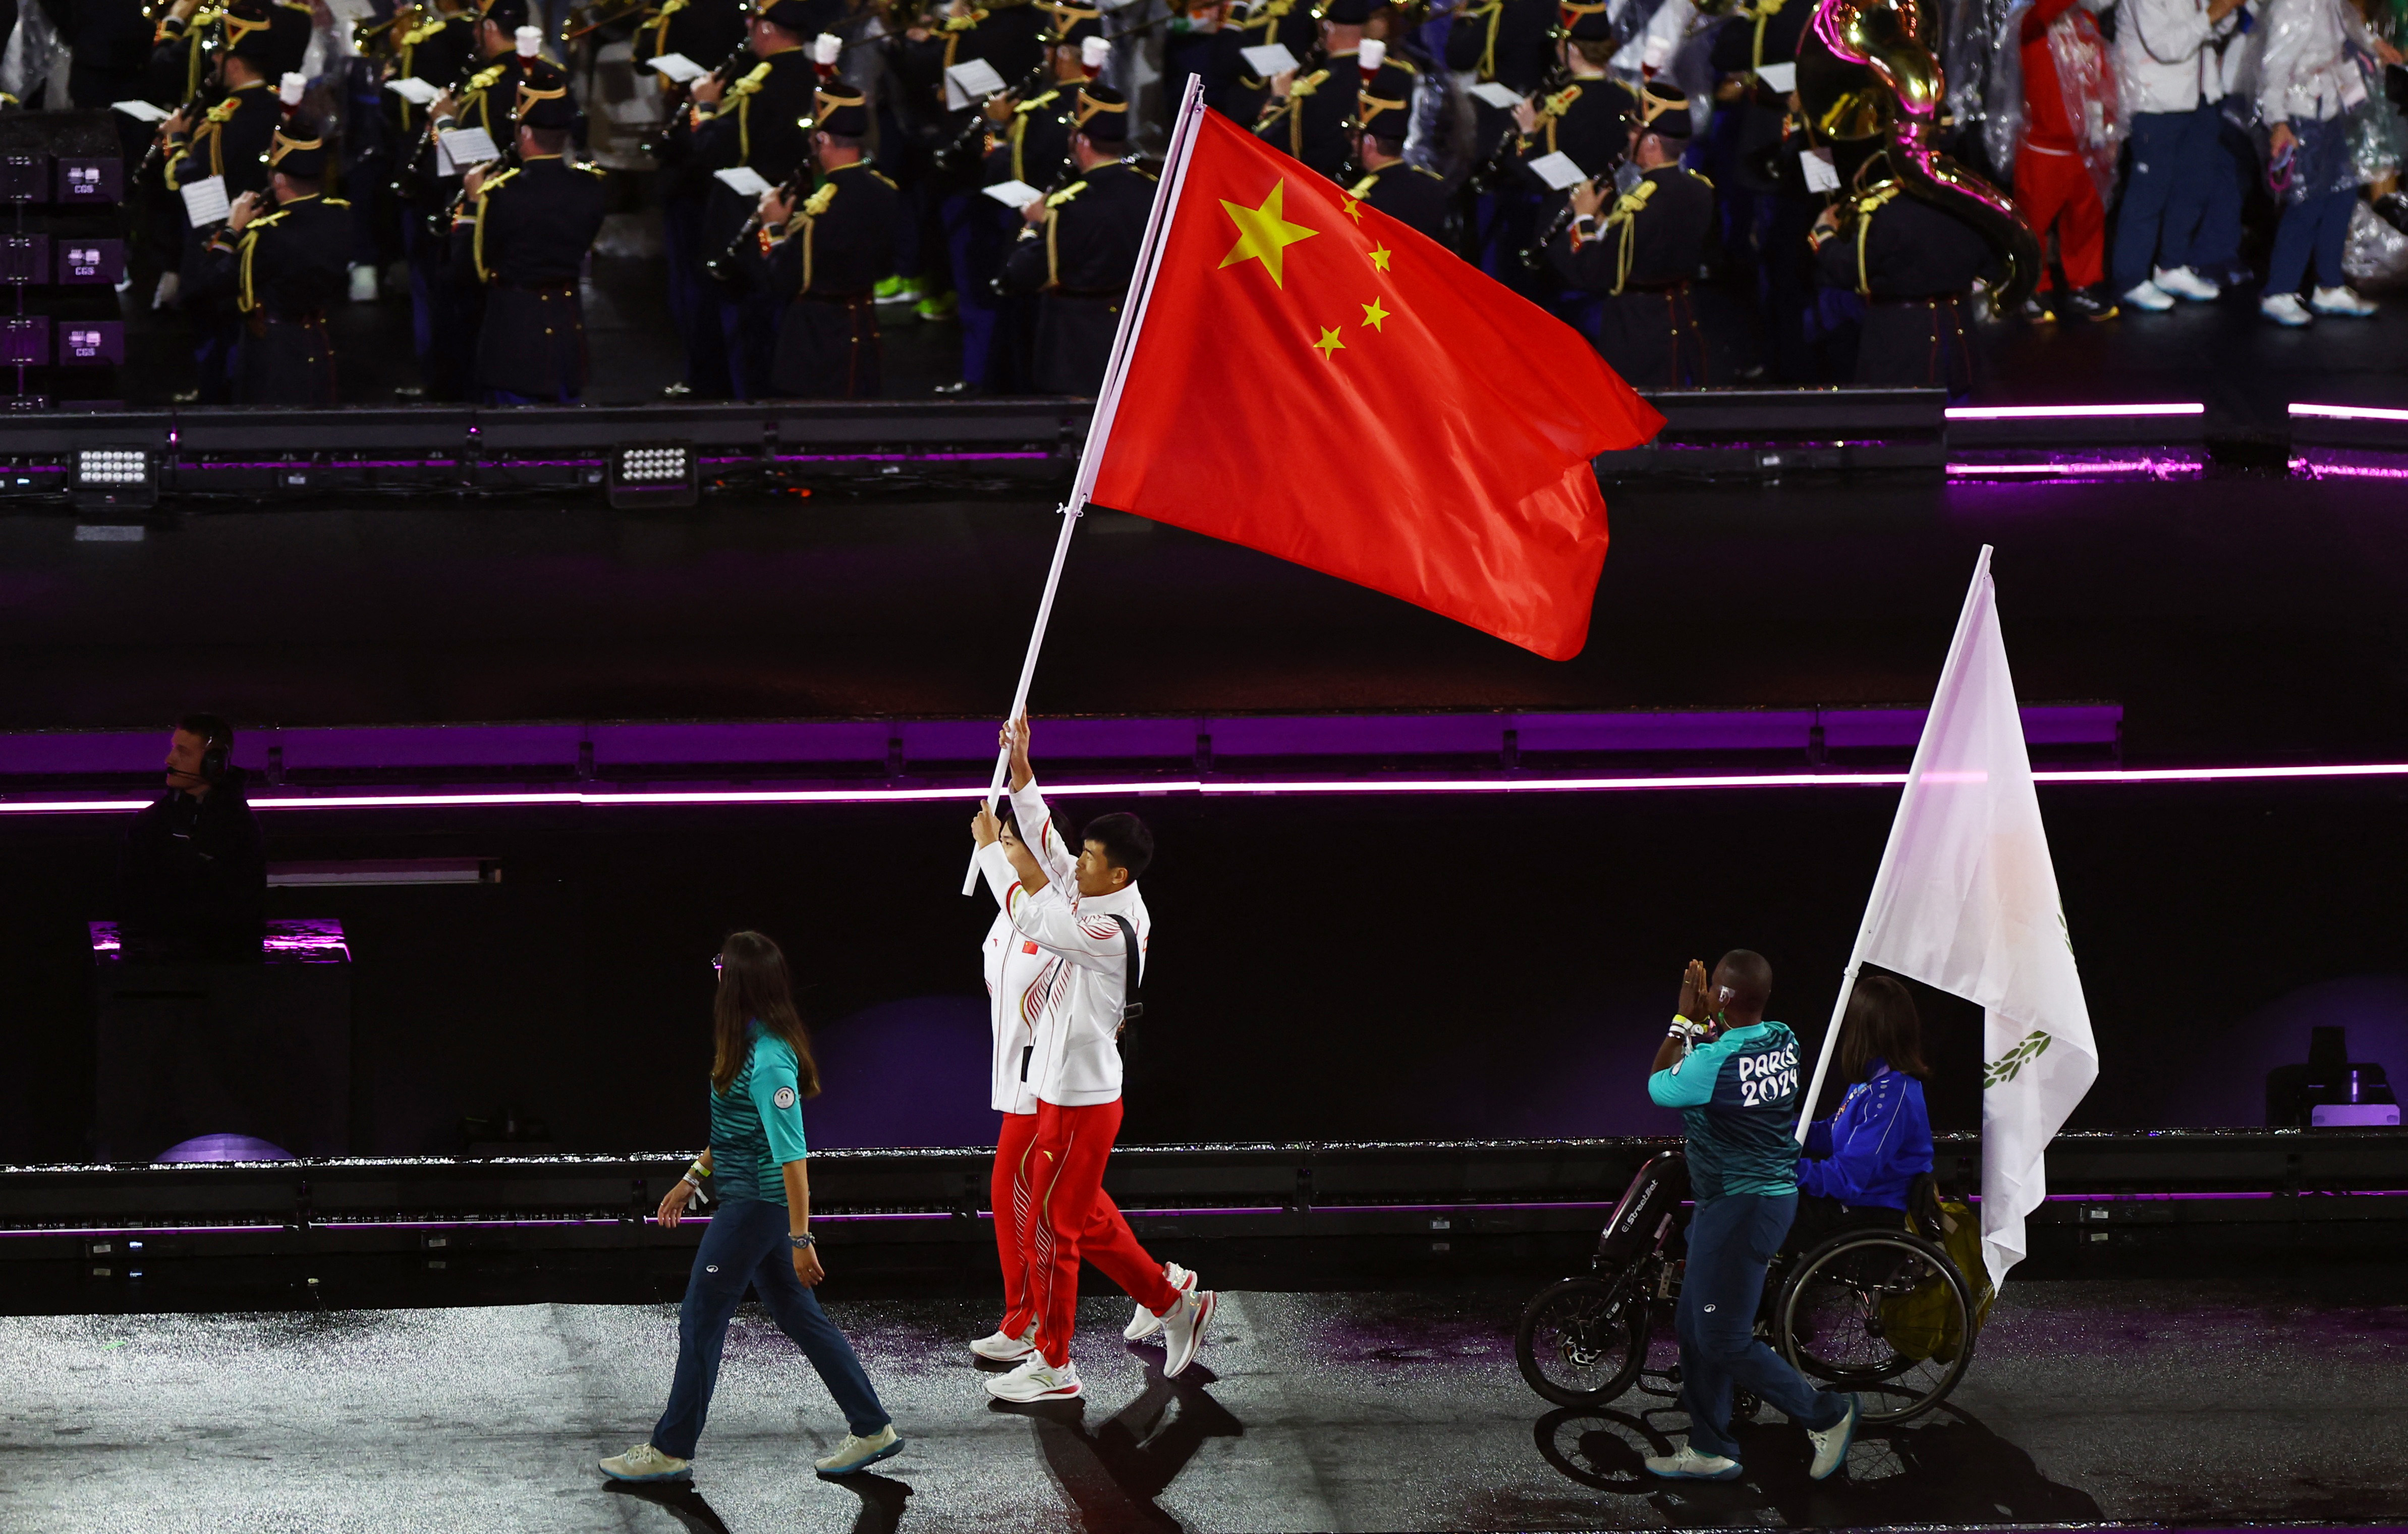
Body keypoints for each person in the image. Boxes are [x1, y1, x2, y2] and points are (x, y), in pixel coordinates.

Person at [966, 717, 1213, 1402]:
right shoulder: (1095, 887)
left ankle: (1057, 1365)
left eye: (1091, 858)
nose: (1077, 864)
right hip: (1057, 1094)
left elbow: (1034, 911)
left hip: (1081, 1102)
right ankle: (1173, 1300)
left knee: (1054, 1232)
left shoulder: (1109, 927)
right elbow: (1047, 843)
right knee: (1073, 1221)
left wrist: (992, 853)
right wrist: (1020, 771)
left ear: (1119, 872)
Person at [602, 931, 905, 1484]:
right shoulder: (746, 1044)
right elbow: (740, 1133)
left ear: (736, 982)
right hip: (750, 1202)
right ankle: (872, 1426)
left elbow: (793, 1159)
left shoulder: (768, 1060)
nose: (715, 972)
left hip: (756, 1209)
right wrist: (693, 1177)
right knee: (798, 1315)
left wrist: (799, 1238)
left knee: (699, 1318)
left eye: (722, 966)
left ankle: (671, 1449)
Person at [1642, 950, 1858, 1483]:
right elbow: (1730, 1038)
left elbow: (1656, 1083)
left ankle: (1828, 1415)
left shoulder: (1712, 1066)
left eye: (1715, 986)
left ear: (1726, 997)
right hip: (1743, 1203)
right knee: (1694, 1325)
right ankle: (1712, 1446)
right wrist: (1710, 1016)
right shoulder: (1785, 1037)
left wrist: (1684, 1020)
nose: (1709, 991)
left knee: (1722, 1337)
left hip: (1744, 1208)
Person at [674, 0, 821, 398]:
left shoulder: (757, 85)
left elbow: (712, 152)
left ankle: (741, 409)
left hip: (748, 215)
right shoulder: (820, 77)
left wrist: (703, 109)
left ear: (768, 29)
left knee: (744, 325)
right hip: (803, 211)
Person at [450, 58, 610, 403]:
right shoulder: (592, 188)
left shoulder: (502, 196)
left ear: (524, 133)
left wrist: (474, 206)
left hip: (515, 336)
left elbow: (471, 267)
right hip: (567, 331)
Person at [1547, 80, 1714, 386]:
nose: (1629, 135)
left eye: (1636, 130)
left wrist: (1584, 218)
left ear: (1652, 142)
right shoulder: (1700, 190)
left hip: (1638, 332)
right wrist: (1605, 224)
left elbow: (1595, 272)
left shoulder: (1640, 205)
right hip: (1684, 316)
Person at [157, 0, 282, 402]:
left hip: (220, 241)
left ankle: (216, 406)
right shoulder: (278, 107)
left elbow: (189, 180)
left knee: (216, 334)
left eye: (220, 55)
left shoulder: (224, 121)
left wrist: (175, 140)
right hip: (265, 242)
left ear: (233, 63)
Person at [741, 83, 899, 397]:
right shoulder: (885, 190)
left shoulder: (823, 211)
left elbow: (781, 277)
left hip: (819, 343)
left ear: (822, 139)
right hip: (865, 331)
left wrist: (772, 228)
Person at [996, 85, 1155, 395]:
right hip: (1139, 341)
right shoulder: (1151, 189)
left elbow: (1023, 273)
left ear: (1081, 141)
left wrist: (1031, 225)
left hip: (1076, 351)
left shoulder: (1070, 206)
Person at [2254, 0, 2402, 324]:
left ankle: (2329, 284)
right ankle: (2279, 290)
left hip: (2331, 106)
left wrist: (2374, 44)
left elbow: (2347, 27)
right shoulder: (2294, 6)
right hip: (2303, 113)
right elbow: (2274, 66)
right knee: (2307, 202)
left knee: (2342, 193)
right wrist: (2278, 121)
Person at [188, 115, 351, 405]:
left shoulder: (268, 236)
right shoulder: (341, 216)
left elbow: (210, 282)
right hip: (319, 341)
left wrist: (231, 231)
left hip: (274, 354)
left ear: (278, 179)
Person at [1809, 152, 1996, 395]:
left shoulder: (1889, 213)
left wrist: (1823, 234)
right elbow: (1989, 264)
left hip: (1901, 341)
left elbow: (1850, 269)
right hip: (1958, 335)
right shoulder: (1970, 205)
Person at [2110, 0, 2244, 312]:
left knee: (2193, 188)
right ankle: (2131, 279)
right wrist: (2215, 12)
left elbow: (2217, 28)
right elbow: (2167, 46)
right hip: (2156, 101)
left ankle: (2171, 266)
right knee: (2149, 193)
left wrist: (2227, 10)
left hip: (2200, 97)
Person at [1789, 973, 1935, 1253]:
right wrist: (1778, 1133)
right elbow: (1832, 1134)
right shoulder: (1873, 1080)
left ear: (1861, 1029)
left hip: (1869, 1216)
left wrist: (1783, 1168)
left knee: (1758, 1207)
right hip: (1855, 1205)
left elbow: (1846, 1179)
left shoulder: (1892, 1097)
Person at [118, 715, 265, 964]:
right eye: (173, 748)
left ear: (214, 763)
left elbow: (244, 911)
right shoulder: (149, 824)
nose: (169, 759)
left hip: (223, 969)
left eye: (183, 752)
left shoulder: (238, 830)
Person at [2011, 0, 2120, 321]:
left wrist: (2110, 127)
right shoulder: (2033, 20)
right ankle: (2032, 287)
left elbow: (2102, 74)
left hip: (2086, 145)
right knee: (2034, 224)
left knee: (2087, 220)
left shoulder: (2087, 20)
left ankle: (2083, 286)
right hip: (2044, 147)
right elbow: (2047, 10)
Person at [1255, 0, 1372, 181]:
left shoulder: (1315, 88)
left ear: (1327, 27)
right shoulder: (1399, 74)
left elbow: (1267, 142)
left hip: (1316, 188)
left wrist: (1280, 97)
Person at [1346, 62, 1450, 243]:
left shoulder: (1364, 200)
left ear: (1369, 142)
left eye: (1354, 136)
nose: (1352, 143)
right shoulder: (1433, 188)